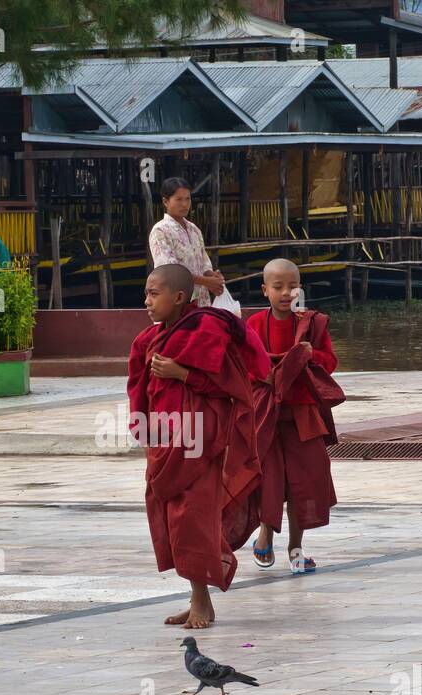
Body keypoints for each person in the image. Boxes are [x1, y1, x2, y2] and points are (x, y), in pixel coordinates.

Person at [127, 263, 270, 629]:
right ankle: (195, 598)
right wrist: (143, 428)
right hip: (165, 441)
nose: (147, 300)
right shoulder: (148, 340)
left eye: (153, 293)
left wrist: (182, 373)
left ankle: (202, 601)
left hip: (199, 442)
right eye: (146, 293)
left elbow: (229, 385)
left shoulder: (205, 329)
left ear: (178, 297)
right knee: (171, 519)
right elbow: (140, 390)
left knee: (193, 518)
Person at [245, 259, 344, 573]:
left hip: (302, 414)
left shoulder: (312, 324)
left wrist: (309, 354)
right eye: (278, 287)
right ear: (265, 290)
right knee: (269, 479)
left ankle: (296, 548)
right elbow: (246, 366)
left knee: (304, 482)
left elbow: (330, 361)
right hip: (268, 415)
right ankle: (264, 536)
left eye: (292, 286)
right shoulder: (255, 326)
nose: (286, 293)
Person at [148, 177, 225, 306]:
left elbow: (204, 263)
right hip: (177, 304)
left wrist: (213, 276)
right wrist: (207, 282)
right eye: (178, 199)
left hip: (201, 302)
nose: (184, 204)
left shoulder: (194, 230)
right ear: (165, 201)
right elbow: (171, 273)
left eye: (187, 199)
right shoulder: (160, 231)